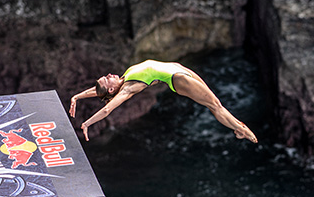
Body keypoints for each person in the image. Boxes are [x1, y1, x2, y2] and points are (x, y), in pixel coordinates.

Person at [69, 60, 258, 143]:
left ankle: (237, 128)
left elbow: (98, 91)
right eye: (106, 78)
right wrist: (87, 123)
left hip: (178, 69)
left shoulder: (124, 78)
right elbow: (107, 109)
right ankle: (242, 130)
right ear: (112, 88)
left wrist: (77, 97)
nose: (108, 74)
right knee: (214, 104)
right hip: (177, 78)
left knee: (215, 102)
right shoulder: (127, 88)